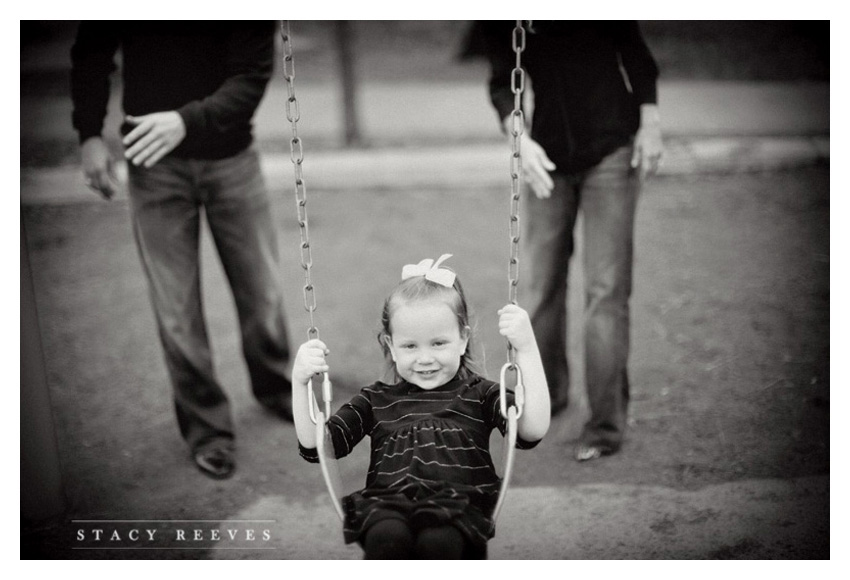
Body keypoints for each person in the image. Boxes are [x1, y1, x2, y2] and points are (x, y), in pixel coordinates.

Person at [70, 21, 294, 480]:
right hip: (152, 163)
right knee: (176, 310)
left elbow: (251, 77)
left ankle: (277, 388)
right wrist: (88, 133)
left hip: (232, 157)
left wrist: (185, 121)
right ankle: (208, 430)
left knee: (262, 289)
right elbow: (92, 48)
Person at [465, 21, 663, 461]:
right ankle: (545, 395)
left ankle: (605, 426)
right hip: (548, 153)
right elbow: (503, 84)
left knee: (605, 293)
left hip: (611, 149)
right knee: (542, 287)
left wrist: (650, 125)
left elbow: (637, 57)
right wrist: (519, 138)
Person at [292, 255, 550, 559]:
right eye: (410, 346)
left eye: (438, 343)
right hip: (387, 506)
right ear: (390, 345)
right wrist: (300, 381)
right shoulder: (376, 400)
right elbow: (319, 446)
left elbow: (531, 429)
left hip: (459, 510)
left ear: (463, 339)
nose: (425, 358)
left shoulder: (480, 395)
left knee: (439, 543)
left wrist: (527, 348)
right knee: (386, 538)